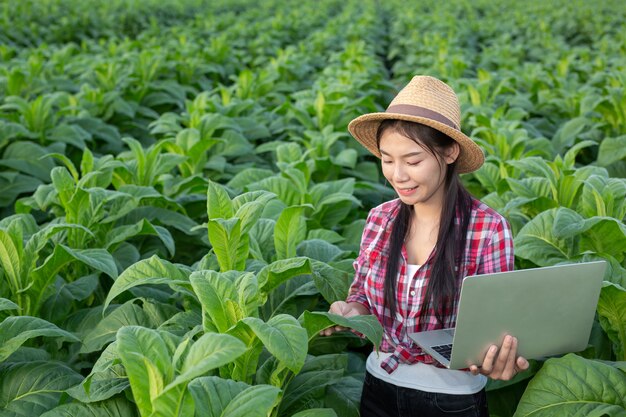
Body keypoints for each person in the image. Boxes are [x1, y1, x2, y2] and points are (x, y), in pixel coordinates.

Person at [320, 75, 529, 417]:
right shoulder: (379, 219)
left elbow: (495, 326)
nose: (397, 174)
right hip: (378, 386)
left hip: (451, 400)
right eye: (387, 159)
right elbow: (362, 297)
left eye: (413, 161)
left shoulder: (488, 229)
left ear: (449, 152)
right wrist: (350, 313)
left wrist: (499, 357)